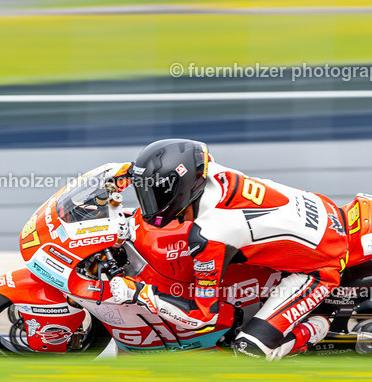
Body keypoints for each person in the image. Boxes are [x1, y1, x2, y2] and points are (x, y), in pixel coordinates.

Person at [109, 138, 349, 360]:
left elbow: (203, 318)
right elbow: (179, 167)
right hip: (323, 213)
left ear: (178, 189)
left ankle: (315, 328)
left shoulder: (211, 233)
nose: (149, 201)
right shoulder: (205, 170)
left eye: (155, 193)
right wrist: (128, 174)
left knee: (248, 353)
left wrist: (140, 294)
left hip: (321, 265)